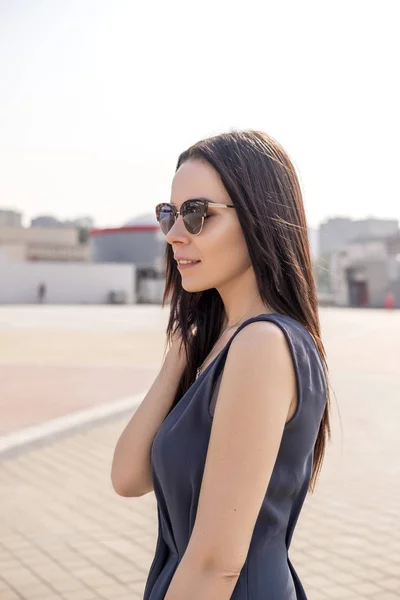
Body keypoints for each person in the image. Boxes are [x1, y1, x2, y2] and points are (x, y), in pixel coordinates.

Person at [111, 130, 331, 599]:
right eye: (169, 214)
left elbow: (216, 565)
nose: (173, 234)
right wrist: (180, 355)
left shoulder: (263, 346)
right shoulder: (224, 343)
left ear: (258, 218)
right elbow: (128, 476)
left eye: (196, 214)